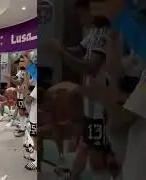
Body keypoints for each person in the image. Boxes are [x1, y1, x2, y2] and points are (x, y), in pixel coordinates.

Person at [44, 0, 112, 179]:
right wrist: (62, 48)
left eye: (82, 14)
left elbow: (90, 67)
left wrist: (61, 52)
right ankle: (73, 176)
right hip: (91, 102)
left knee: (98, 158)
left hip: (102, 105)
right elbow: (79, 50)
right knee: (86, 143)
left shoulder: (106, 33)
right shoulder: (93, 32)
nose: (80, 19)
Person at [24, 85, 38, 171]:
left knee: (37, 139)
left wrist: (25, 92)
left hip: (37, 117)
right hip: (34, 116)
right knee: (34, 137)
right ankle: (34, 155)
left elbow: (28, 99)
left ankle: (37, 162)